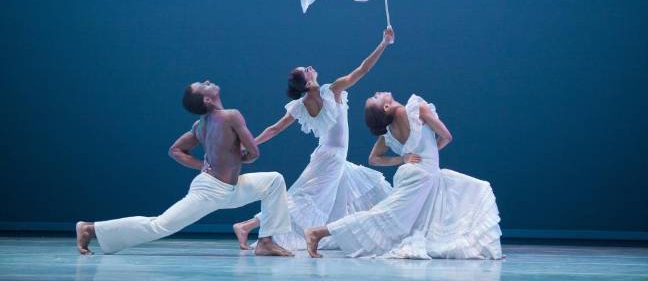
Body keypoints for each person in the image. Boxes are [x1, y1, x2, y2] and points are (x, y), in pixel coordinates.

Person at [75, 80, 293, 256]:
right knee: (160, 225)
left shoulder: (200, 125)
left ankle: (266, 241)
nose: (207, 81)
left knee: (274, 180)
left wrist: (207, 164)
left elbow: (175, 150)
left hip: (231, 189)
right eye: (202, 85)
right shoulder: (230, 116)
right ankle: (90, 228)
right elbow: (254, 153)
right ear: (207, 99)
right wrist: (230, 160)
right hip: (209, 191)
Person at [232, 28, 395, 250]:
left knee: (341, 195)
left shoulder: (313, 99)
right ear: (308, 83)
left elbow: (274, 129)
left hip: (331, 157)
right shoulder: (331, 91)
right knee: (303, 199)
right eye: (305, 71)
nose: (310, 68)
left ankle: (341, 234)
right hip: (330, 158)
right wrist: (384, 43)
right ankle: (247, 225)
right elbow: (363, 69)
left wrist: (249, 144)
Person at [305, 92, 502, 259]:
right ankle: (317, 232)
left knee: (473, 189)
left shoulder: (389, 132)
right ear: (386, 106)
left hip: (420, 175)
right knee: (384, 216)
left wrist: (404, 159)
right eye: (376, 97)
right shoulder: (417, 109)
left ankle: (483, 247)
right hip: (422, 175)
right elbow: (447, 137)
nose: (378, 92)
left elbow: (374, 159)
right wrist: (427, 156)